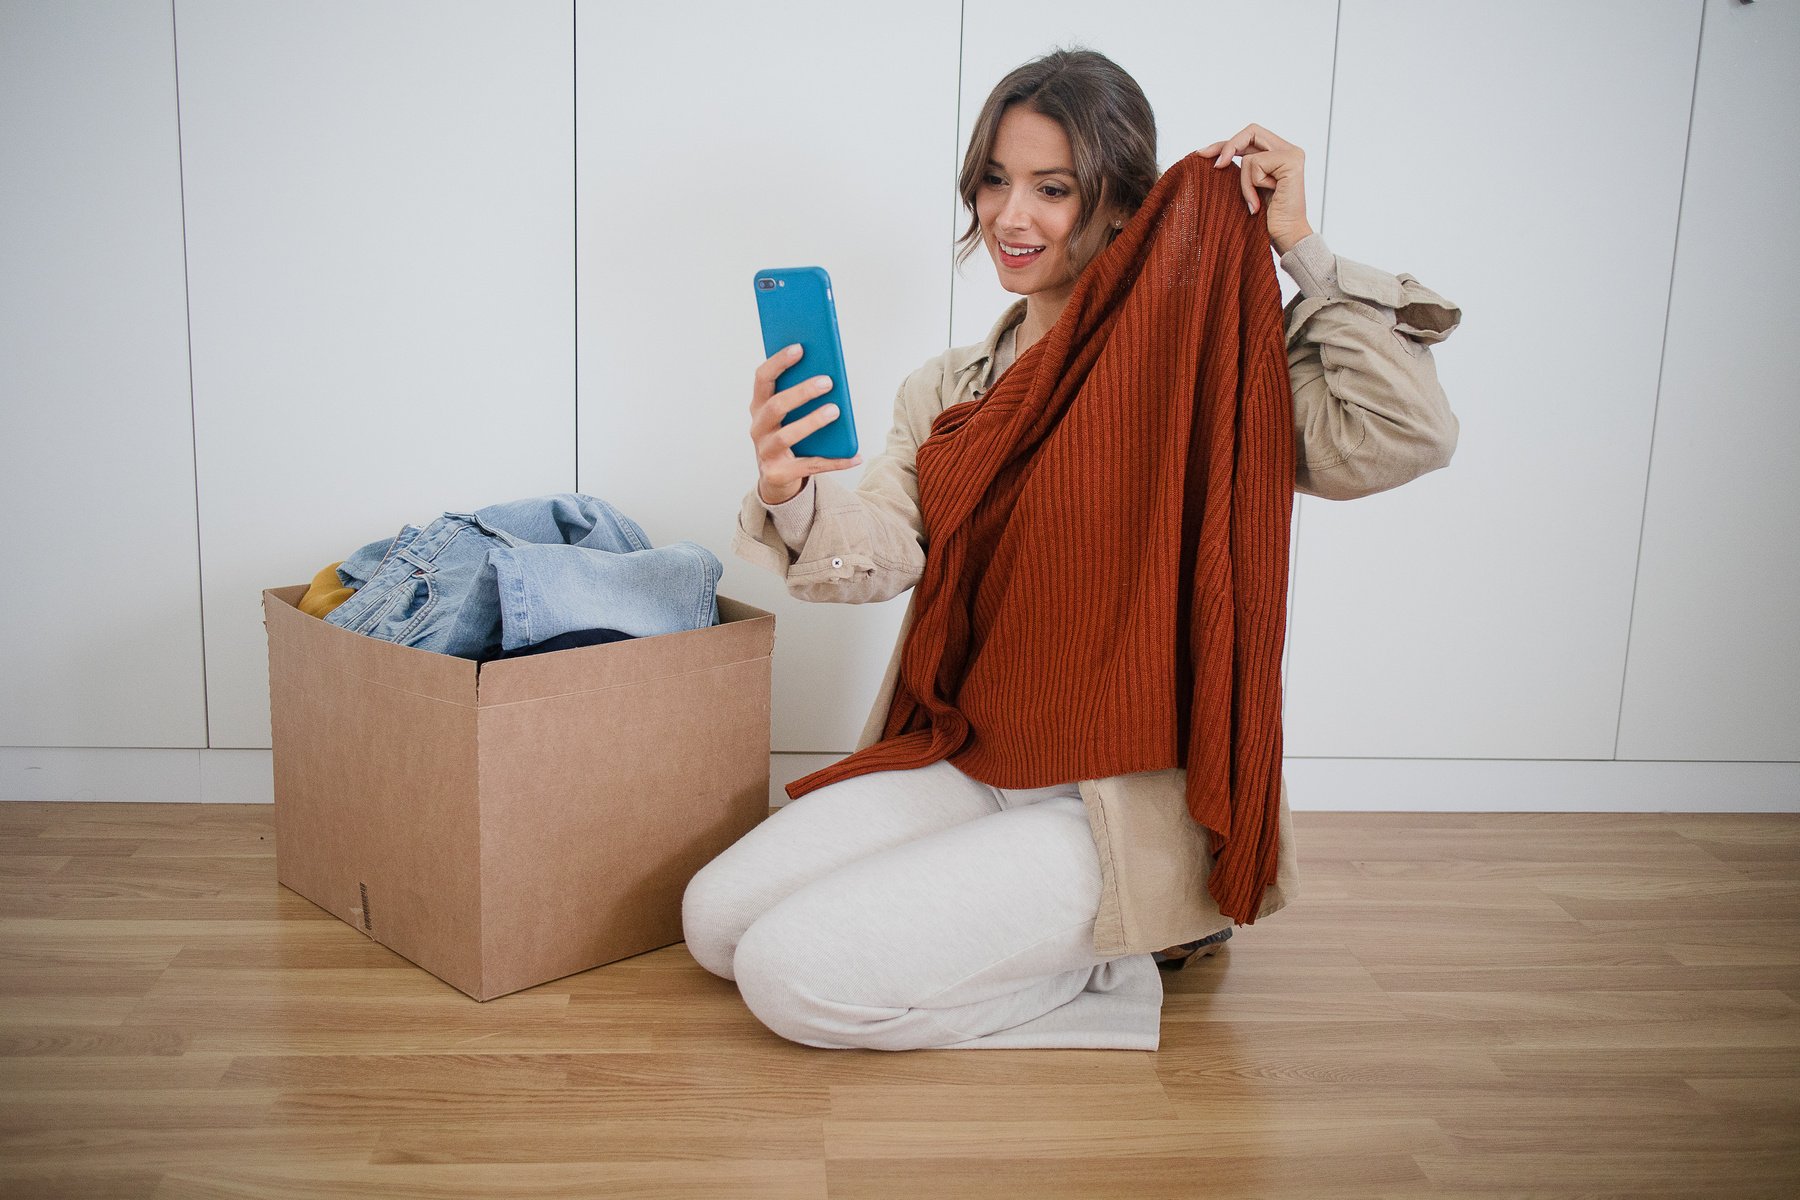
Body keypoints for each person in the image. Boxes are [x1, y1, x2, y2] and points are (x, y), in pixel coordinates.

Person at [682, 48, 1462, 1052]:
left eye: (1054, 189)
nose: (1013, 217)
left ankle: (1112, 969)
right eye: (996, 181)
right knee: (716, 924)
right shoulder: (951, 386)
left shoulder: (1203, 362)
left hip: (1116, 799)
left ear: (1123, 207)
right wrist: (793, 490)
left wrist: (1300, 244)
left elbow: (1406, 434)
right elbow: (882, 552)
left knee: (792, 980)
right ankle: (1025, 927)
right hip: (972, 757)